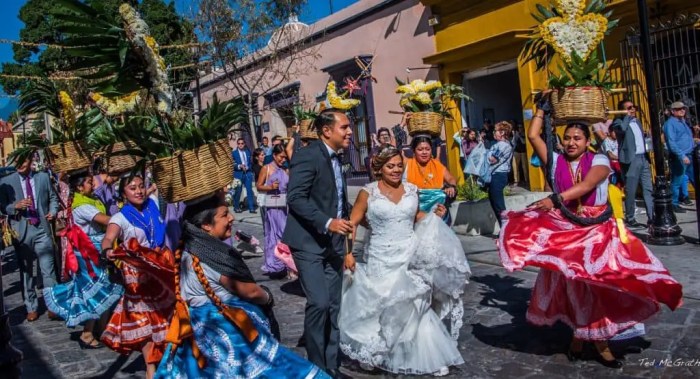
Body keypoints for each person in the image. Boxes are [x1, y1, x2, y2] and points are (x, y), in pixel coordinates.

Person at [499, 98, 683, 368]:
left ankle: (599, 343)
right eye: (567, 138)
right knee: (574, 289)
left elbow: (587, 184)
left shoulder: (599, 160)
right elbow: (532, 135)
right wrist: (541, 108)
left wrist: (555, 200)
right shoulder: (556, 161)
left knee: (599, 288)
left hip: (597, 233)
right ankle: (581, 337)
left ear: (587, 141)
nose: (572, 142)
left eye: (577, 138)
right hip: (567, 232)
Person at [155, 194, 329, 378]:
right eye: (224, 215)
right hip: (223, 328)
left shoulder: (187, 248)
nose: (231, 218)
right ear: (206, 225)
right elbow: (250, 291)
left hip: (194, 328)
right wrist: (267, 297)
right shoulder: (213, 257)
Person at [339, 146, 470, 376]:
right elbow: (352, 223)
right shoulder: (367, 193)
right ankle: (377, 349)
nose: (396, 170)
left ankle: (429, 355)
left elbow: (415, 216)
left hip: (409, 253)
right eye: (391, 166)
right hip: (380, 256)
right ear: (379, 169)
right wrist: (348, 253)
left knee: (415, 304)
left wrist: (433, 216)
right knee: (381, 303)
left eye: (400, 165)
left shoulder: (411, 189)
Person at [282, 108, 353, 377]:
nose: (349, 132)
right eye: (344, 127)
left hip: (334, 243)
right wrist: (327, 222)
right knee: (319, 303)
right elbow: (296, 198)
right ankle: (316, 365)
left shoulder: (338, 158)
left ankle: (331, 365)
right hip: (308, 242)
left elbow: (335, 196)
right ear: (326, 131)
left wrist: (347, 223)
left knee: (334, 306)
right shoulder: (307, 156)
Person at [100, 173, 175, 379]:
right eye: (132, 188)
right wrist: (107, 250)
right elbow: (108, 238)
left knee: (165, 319)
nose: (139, 191)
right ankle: (151, 367)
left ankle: (163, 363)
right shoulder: (120, 218)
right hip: (138, 278)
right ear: (123, 193)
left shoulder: (152, 205)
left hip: (161, 269)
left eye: (141, 186)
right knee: (144, 323)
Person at [43, 170, 123, 348]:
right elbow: (105, 220)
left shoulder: (90, 200)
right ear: (79, 187)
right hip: (89, 253)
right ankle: (87, 332)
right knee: (96, 289)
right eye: (88, 182)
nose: (92, 184)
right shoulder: (83, 206)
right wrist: (126, 217)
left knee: (106, 286)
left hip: (96, 249)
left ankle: (102, 329)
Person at [0, 154, 60, 322]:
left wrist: (53, 212)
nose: (20, 164)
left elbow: (53, 198)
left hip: (41, 228)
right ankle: (31, 306)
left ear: (30, 162)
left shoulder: (42, 178)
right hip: (22, 229)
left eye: (23, 161)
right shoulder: (6, 182)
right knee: (26, 271)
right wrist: (15, 207)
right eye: (17, 162)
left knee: (48, 268)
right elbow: (3, 207)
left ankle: (52, 304)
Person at [612, 99, 654, 227]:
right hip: (631, 159)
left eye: (633, 107)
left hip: (643, 158)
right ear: (623, 110)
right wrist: (627, 117)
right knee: (631, 190)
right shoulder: (618, 122)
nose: (632, 110)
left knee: (648, 188)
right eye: (629, 108)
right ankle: (630, 218)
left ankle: (651, 217)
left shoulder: (638, 122)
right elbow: (622, 130)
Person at [404, 134, 457, 221]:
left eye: (427, 149)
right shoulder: (408, 163)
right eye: (420, 149)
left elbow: (451, 178)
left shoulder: (436, 164)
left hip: (437, 214)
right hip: (415, 213)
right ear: (414, 151)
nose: (424, 152)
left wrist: (451, 186)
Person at [256, 144, 290, 279]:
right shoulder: (266, 168)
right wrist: (270, 187)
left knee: (286, 235)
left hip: (285, 206)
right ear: (274, 155)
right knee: (276, 235)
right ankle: (275, 265)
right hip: (273, 207)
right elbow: (258, 186)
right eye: (281, 157)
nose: (283, 159)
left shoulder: (285, 170)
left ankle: (287, 264)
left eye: (285, 157)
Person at [663, 101, 695, 213]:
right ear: (672, 111)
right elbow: (671, 142)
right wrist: (681, 155)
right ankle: (673, 203)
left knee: (695, 179)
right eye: (678, 109)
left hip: (690, 154)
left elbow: (685, 138)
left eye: (683, 108)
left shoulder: (683, 121)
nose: (682, 110)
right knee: (677, 181)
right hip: (680, 156)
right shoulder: (670, 124)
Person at [487, 121, 514, 226]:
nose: (494, 133)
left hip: (499, 175)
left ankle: (506, 228)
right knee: (494, 201)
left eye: (496, 131)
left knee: (498, 204)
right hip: (495, 174)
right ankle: (503, 227)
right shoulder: (498, 144)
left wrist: (484, 154)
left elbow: (493, 159)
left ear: (502, 132)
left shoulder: (504, 145)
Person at [232, 138, 256, 214]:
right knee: (238, 191)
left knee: (249, 191)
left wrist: (248, 167)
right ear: (237, 144)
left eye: (242, 143)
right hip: (238, 174)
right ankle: (236, 207)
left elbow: (249, 163)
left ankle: (251, 208)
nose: (240, 145)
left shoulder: (247, 152)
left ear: (244, 144)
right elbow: (233, 164)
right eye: (239, 143)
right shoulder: (234, 153)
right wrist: (239, 166)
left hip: (247, 173)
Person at [512, 123, 529, 188]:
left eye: (521, 127)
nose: (520, 128)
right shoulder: (515, 134)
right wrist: (514, 135)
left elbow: (524, 142)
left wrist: (519, 135)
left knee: (524, 166)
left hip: (523, 151)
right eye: (518, 127)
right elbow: (513, 142)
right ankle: (516, 180)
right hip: (516, 151)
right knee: (515, 166)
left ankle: (526, 180)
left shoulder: (524, 134)